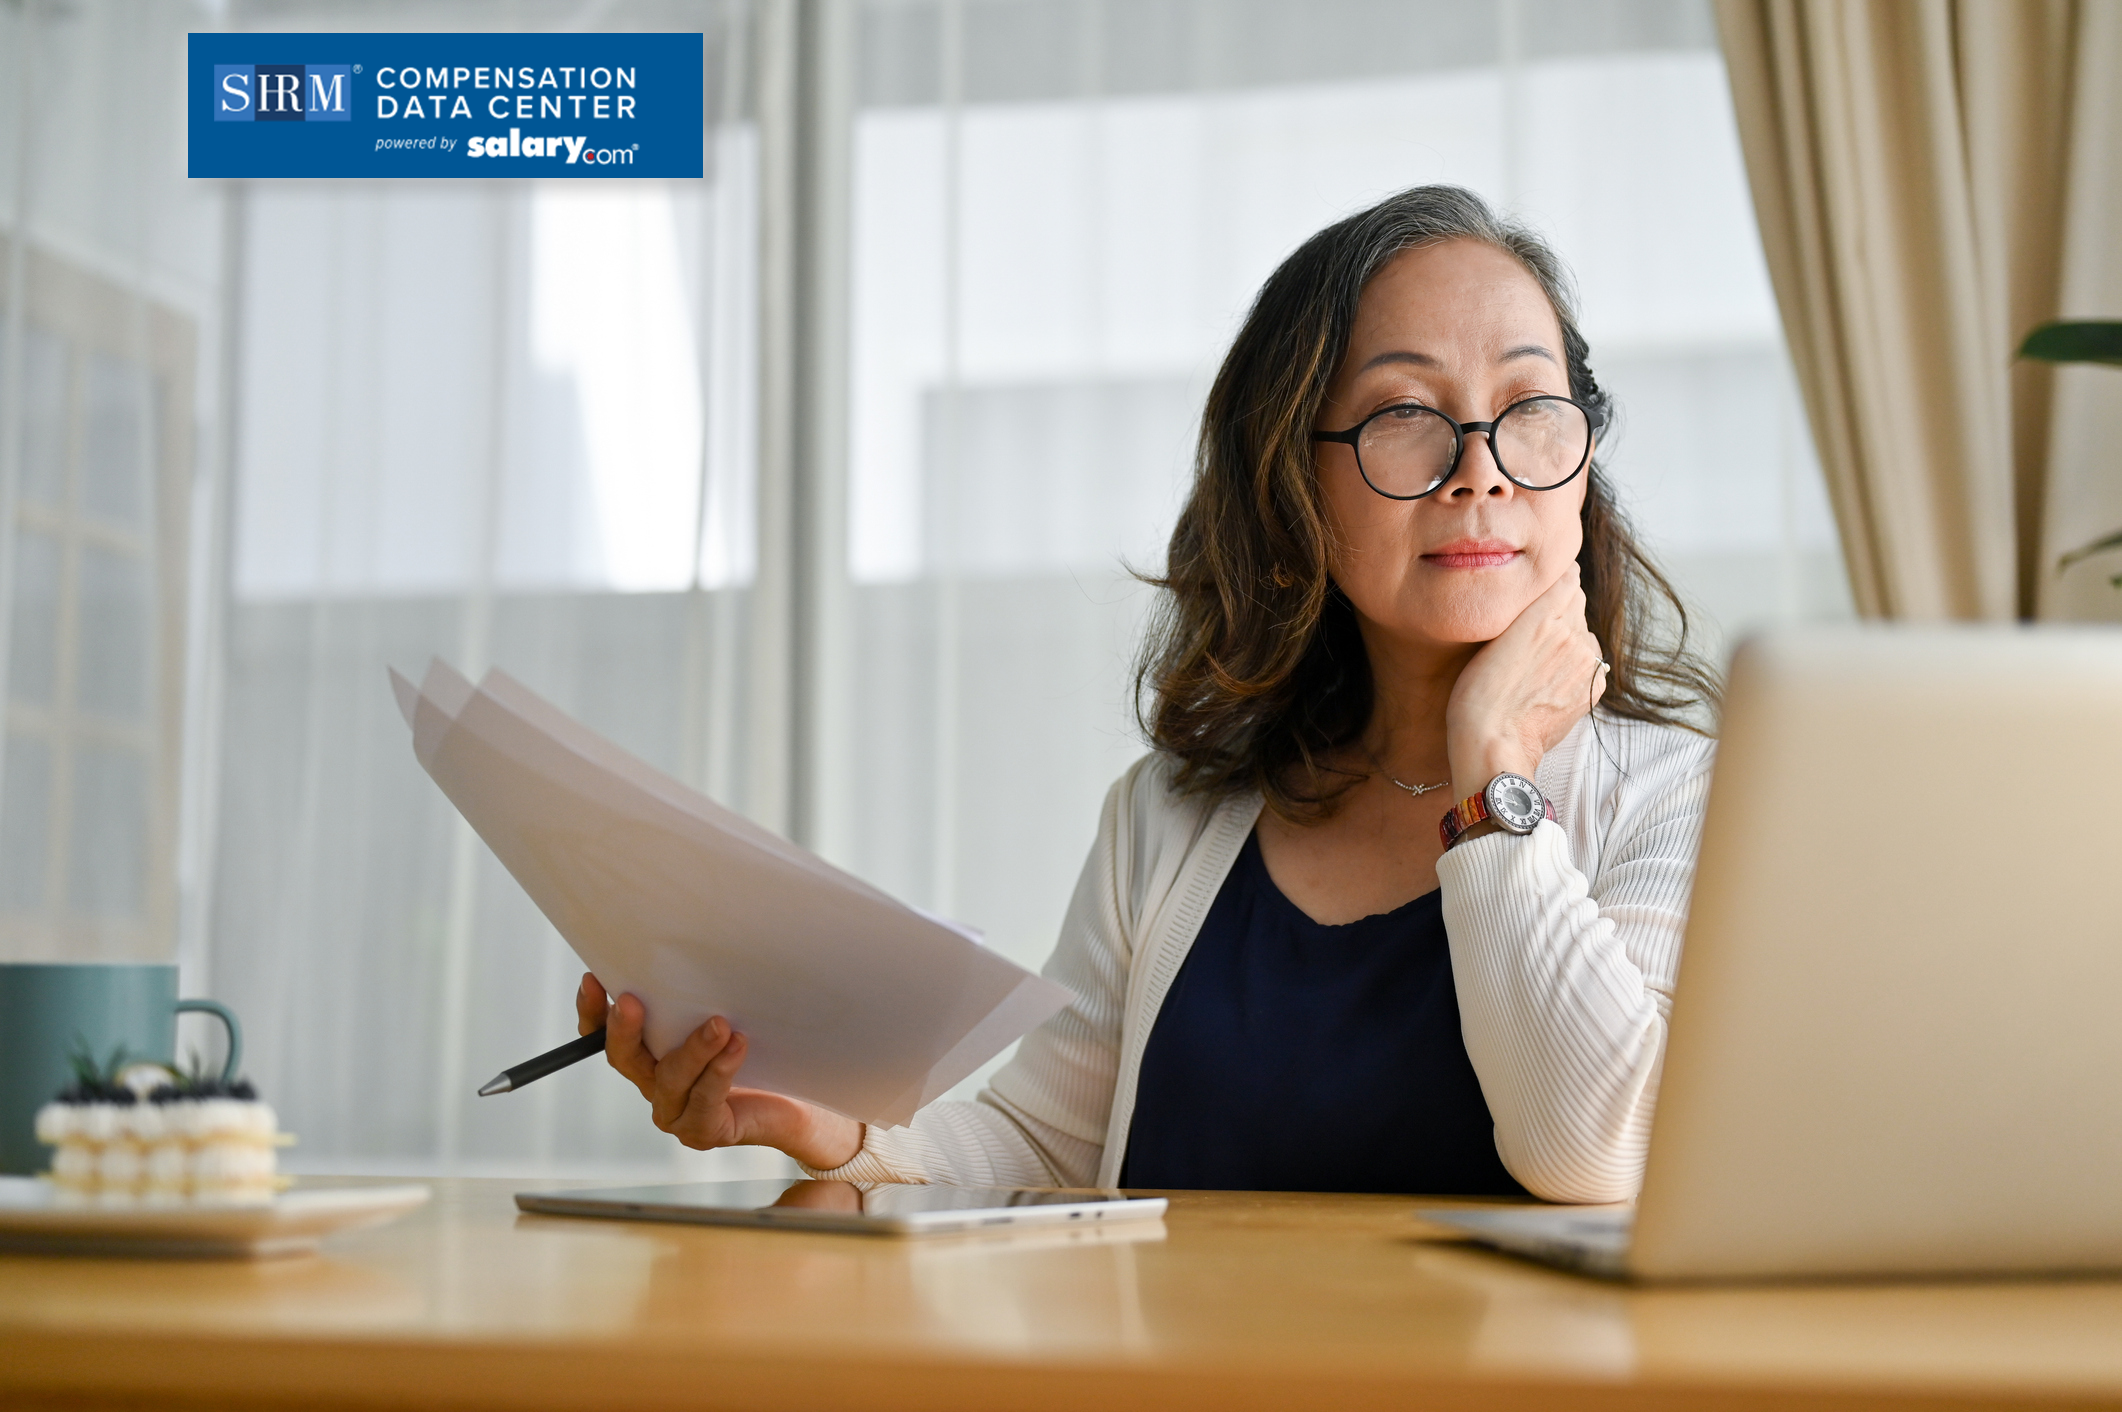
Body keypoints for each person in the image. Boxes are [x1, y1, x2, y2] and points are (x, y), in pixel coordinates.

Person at [574, 185, 1718, 1203]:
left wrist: (1493, 771)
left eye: (1529, 408)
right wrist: (836, 1132)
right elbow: (1041, 1141)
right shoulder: (1166, 817)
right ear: (1294, 484)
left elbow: (1593, 1150)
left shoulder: (1676, 795)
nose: (1480, 465)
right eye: (1405, 416)